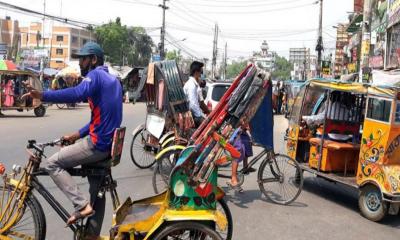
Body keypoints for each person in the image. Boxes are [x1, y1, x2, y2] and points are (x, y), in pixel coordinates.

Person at [22, 42, 122, 238]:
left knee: (52, 163)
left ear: (93, 60)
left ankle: (81, 205)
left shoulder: (96, 76)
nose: (80, 63)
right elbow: (101, 119)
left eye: (83, 59)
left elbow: (76, 93)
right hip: (109, 144)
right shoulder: (113, 80)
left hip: (98, 144)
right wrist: (77, 134)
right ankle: (91, 235)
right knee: (97, 188)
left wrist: (43, 95)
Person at [184, 61, 206, 126]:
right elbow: (193, 105)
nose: (201, 75)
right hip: (193, 116)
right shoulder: (192, 85)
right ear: (196, 72)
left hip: (194, 114)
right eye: (201, 72)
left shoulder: (194, 85)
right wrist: (201, 117)